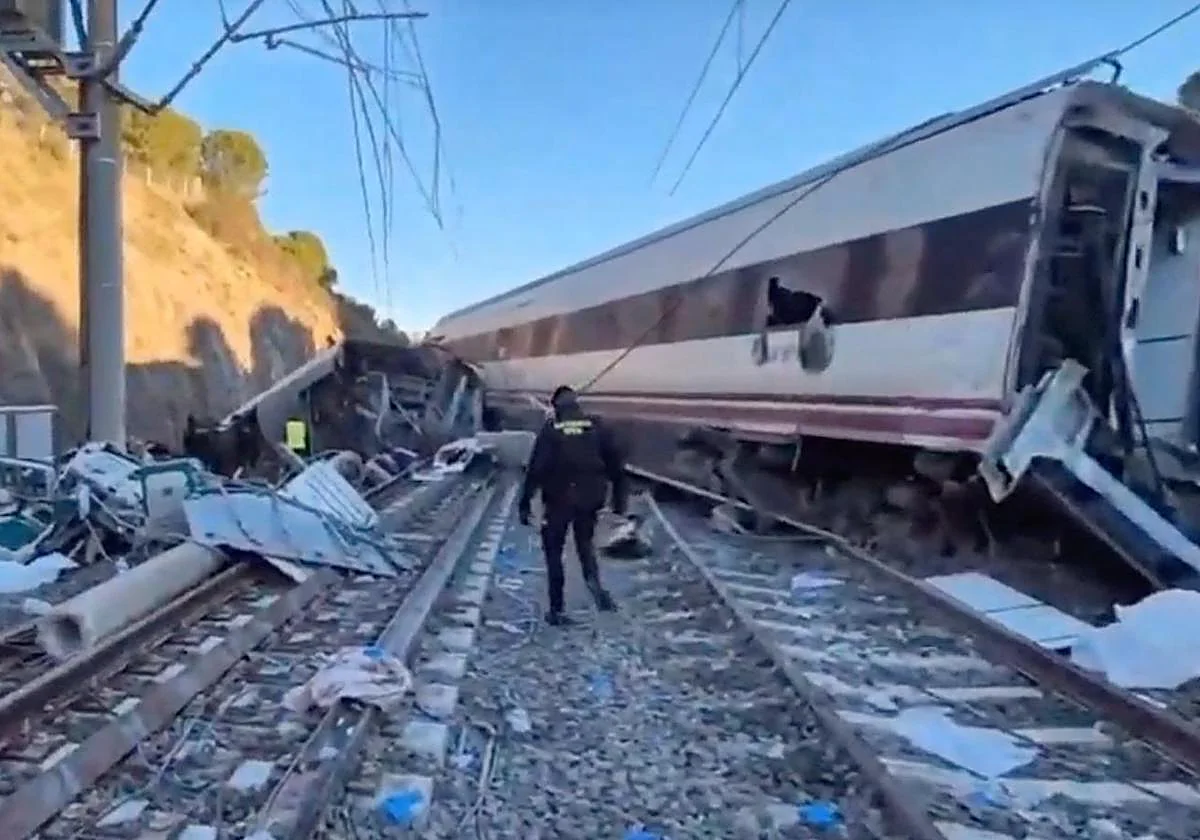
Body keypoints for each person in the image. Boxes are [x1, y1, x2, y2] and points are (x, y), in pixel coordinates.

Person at [518, 385, 627, 626]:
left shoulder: (552, 429)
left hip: (560, 498)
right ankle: (597, 590)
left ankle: (557, 609)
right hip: (591, 498)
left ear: (556, 407)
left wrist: (524, 504)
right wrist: (620, 503)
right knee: (585, 543)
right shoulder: (596, 426)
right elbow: (617, 467)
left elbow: (536, 469)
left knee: (553, 550)